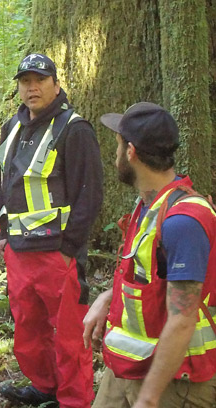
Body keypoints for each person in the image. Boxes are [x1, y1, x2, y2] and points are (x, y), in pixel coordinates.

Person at [83, 102, 216, 407]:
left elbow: (183, 320)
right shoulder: (149, 205)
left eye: (117, 146)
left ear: (130, 152)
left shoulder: (183, 222)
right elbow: (146, 278)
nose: (114, 155)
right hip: (130, 369)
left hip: (176, 381)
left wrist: (149, 398)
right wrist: (107, 297)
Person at [0, 53, 104, 407]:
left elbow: (90, 194)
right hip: (19, 251)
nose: (32, 88)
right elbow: (5, 183)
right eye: (25, 82)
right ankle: (44, 387)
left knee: (71, 335)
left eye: (39, 80)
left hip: (59, 253)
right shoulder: (11, 127)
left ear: (55, 84)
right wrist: (2, 232)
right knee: (28, 328)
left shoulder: (75, 129)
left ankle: (75, 400)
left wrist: (70, 247)